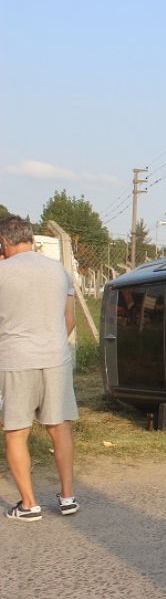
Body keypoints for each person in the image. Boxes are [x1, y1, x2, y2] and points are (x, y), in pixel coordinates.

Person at [0, 216, 80, 521]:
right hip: (55, 358)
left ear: (4, 242)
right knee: (59, 428)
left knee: (16, 433)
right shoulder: (58, 271)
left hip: (16, 360)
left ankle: (29, 504)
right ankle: (68, 497)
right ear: (30, 239)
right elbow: (69, 320)